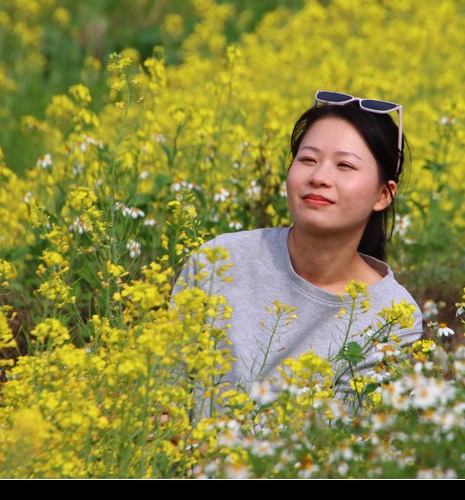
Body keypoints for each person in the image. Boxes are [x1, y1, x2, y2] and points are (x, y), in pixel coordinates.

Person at [174, 90, 423, 410]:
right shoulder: (217, 261)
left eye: (344, 165)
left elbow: (344, 433)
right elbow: (163, 396)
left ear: (383, 195)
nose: (319, 177)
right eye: (308, 160)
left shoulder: (393, 317)